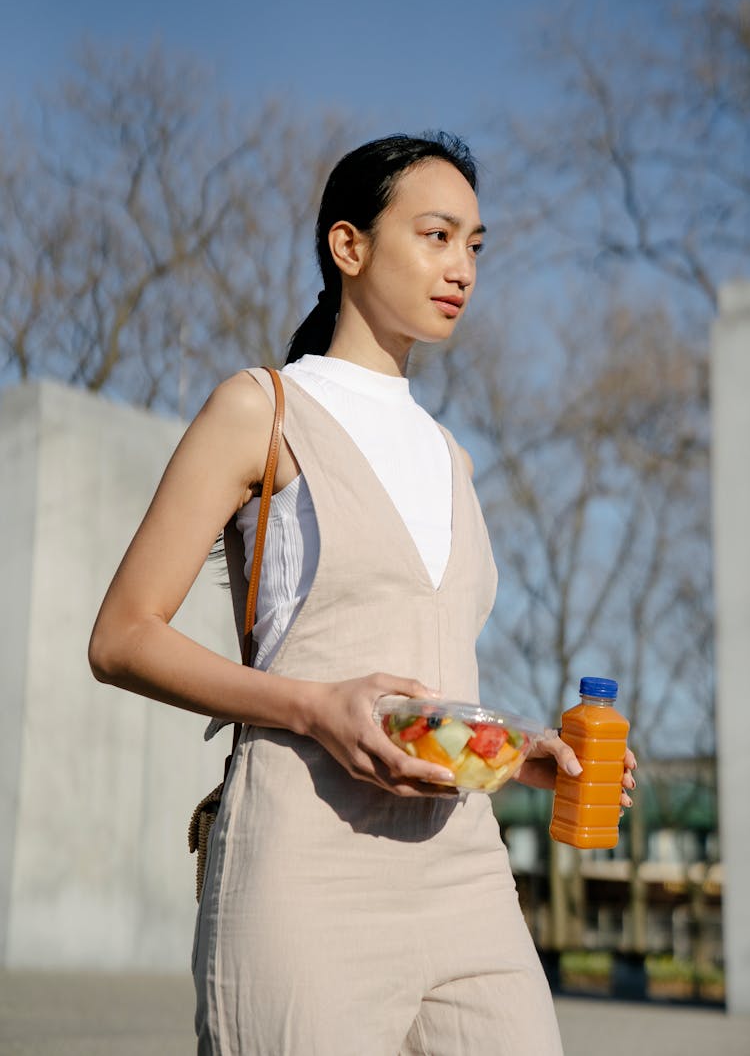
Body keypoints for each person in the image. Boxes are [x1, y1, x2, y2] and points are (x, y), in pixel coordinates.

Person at [89, 132, 636, 1055]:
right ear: (350, 247)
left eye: (474, 243)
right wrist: (312, 707)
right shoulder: (261, 409)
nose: (460, 264)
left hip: (464, 867)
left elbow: (427, 675)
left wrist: (510, 755)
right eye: (434, 234)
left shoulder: (452, 457)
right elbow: (121, 635)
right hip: (306, 865)